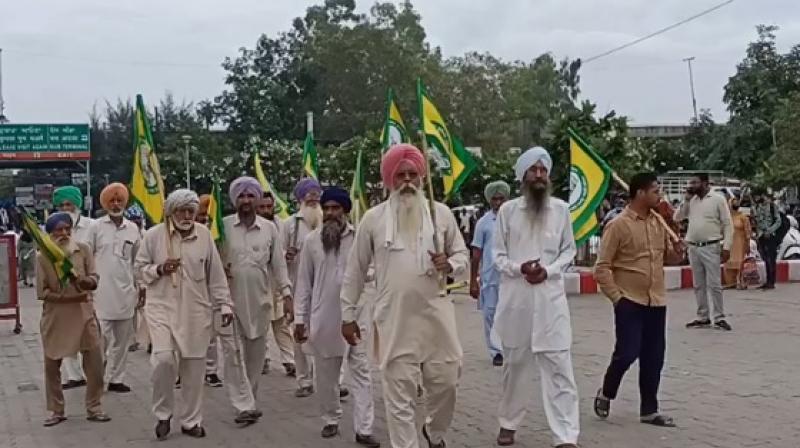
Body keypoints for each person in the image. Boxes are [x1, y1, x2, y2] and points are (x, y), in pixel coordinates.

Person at [340, 143, 468, 448]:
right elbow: (355, 270)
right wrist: (347, 315)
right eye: (401, 175)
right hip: (394, 320)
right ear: (389, 180)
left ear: (422, 177)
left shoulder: (441, 214)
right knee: (399, 398)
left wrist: (449, 263)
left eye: (413, 174)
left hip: (437, 318)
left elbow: (462, 255)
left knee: (447, 382)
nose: (407, 181)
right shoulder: (373, 218)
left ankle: (434, 432)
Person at [492, 147, 579, 448]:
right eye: (534, 170)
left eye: (543, 170)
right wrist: (520, 268)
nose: (539, 175)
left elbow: (570, 250)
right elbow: (498, 256)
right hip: (517, 300)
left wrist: (550, 270)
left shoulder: (561, 210)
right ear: (523, 175)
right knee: (515, 366)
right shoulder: (507, 212)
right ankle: (508, 423)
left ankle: (566, 436)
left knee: (559, 366)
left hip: (550, 300)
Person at [135, 189, 235, 440]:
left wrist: (224, 304)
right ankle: (163, 414)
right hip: (161, 308)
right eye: (182, 210)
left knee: (194, 367)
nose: (187, 215)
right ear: (171, 212)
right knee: (163, 360)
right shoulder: (153, 236)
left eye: (191, 211)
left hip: (195, 310)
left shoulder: (204, 236)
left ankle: (191, 421)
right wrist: (159, 269)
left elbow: (216, 276)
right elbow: (138, 270)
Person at [594, 173, 685, 428]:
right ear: (640, 193)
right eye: (655, 190)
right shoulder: (619, 225)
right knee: (627, 353)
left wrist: (678, 253)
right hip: (629, 301)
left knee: (654, 356)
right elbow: (601, 268)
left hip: (656, 300)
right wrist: (617, 298)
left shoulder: (658, 222)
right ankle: (607, 392)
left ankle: (649, 409)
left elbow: (668, 258)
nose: (660, 195)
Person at [294, 187, 380, 447]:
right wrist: (300, 318)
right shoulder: (311, 241)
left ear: (345, 211)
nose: (330, 213)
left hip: (358, 314)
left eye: (336, 208)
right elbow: (304, 283)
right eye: (327, 208)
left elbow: (375, 268)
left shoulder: (361, 238)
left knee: (362, 370)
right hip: (325, 318)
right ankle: (331, 418)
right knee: (327, 374)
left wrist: (367, 275)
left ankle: (364, 428)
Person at [221, 177, 293, 401]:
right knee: (232, 353)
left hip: (261, 299)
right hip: (228, 301)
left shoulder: (269, 229)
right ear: (234, 200)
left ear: (258, 199)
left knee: (256, 353)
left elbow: (279, 265)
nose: (245, 200)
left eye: (250, 195)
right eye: (241, 196)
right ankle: (241, 403)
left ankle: (250, 396)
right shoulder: (222, 226)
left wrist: (287, 294)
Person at [37, 212, 111, 426]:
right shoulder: (43, 256)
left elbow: (95, 279)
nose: (63, 233)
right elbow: (42, 293)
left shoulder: (83, 249)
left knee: (95, 362)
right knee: (52, 366)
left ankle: (95, 408)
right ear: (49, 233)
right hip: (56, 317)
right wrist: (66, 297)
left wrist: (86, 282)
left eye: (67, 229)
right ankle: (56, 411)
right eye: (58, 230)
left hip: (84, 314)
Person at [89, 183, 143, 393]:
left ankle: (116, 379)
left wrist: (142, 287)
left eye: (119, 200)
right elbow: (87, 257)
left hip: (126, 293)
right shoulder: (96, 227)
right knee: (100, 341)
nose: (116, 203)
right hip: (100, 294)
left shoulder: (132, 228)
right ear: (105, 203)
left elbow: (139, 261)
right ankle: (97, 378)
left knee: (122, 342)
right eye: (111, 200)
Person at [674, 173, 733, 331]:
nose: (691, 185)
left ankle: (719, 317)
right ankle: (703, 316)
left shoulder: (717, 199)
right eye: (690, 183)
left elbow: (727, 224)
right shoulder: (691, 200)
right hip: (693, 246)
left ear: (705, 183)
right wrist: (685, 200)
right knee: (698, 284)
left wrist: (727, 246)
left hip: (711, 246)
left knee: (714, 284)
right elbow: (677, 217)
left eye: (695, 182)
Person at [282, 177, 323, 397]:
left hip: (324, 289)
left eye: (317, 194)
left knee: (327, 333)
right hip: (298, 287)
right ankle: (304, 381)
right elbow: (277, 259)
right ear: (300, 198)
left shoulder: (327, 221)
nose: (313, 197)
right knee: (300, 335)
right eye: (309, 194)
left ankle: (335, 381)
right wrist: (285, 255)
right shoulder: (290, 225)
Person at [52, 185, 95, 390]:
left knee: (91, 335)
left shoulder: (91, 226)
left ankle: (96, 373)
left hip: (88, 286)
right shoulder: (53, 227)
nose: (65, 208)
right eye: (61, 205)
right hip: (63, 288)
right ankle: (74, 376)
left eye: (69, 204)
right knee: (66, 331)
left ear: (77, 205)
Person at [256, 193, 297, 377]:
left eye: (268, 207)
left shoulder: (282, 225)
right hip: (258, 282)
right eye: (262, 207)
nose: (266, 210)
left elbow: (283, 253)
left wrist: (288, 254)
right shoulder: (254, 227)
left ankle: (289, 361)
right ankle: (262, 358)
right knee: (260, 323)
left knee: (281, 323)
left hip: (279, 281)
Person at [470, 180, 510, 366]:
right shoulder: (483, 223)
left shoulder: (514, 219)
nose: (498, 202)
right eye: (495, 199)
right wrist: (473, 280)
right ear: (489, 200)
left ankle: (511, 348)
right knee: (490, 314)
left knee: (511, 313)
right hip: (490, 276)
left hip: (511, 275)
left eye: (501, 198)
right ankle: (496, 352)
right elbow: (476, 253)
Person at [196, 194, 223, 387]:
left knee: (211, 334)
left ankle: (211, 371)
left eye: (207, 217)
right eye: (201, 215)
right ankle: (184, 372)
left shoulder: (215, 234)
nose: (204, 219)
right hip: (187, 289)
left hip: (210, 289)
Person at [125, 205, 150, 352]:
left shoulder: (147, 236)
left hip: (146, 276)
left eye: (138, 220)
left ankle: (151, 340)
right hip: (128, 277)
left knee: (147, 310)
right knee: (131, 310)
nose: (136, 223)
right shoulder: (126, 236)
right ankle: (132, 339)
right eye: (132, 220)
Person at [752, 189, 782, 290]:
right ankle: (767, 281)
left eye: (758, 196)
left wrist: (769, 231)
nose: (757, 198)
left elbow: (778, 221)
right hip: (761, 236)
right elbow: (757, 221)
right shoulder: (757, 207)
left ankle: (771, 282)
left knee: (771, 259)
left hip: (770, 236)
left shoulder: (773, 206)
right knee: (765, 258)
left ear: (763, 195)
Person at [724, 197, 752, 289]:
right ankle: (730, 283)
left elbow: (748, 231)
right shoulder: (727, 218)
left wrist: (748, 244)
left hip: (740, 243)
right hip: (729, 243)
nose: (736, 204)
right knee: (729, 262)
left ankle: (740, 282)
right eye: (734, 202)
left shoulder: (743, 217)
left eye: (737, 202)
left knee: (740, 262)